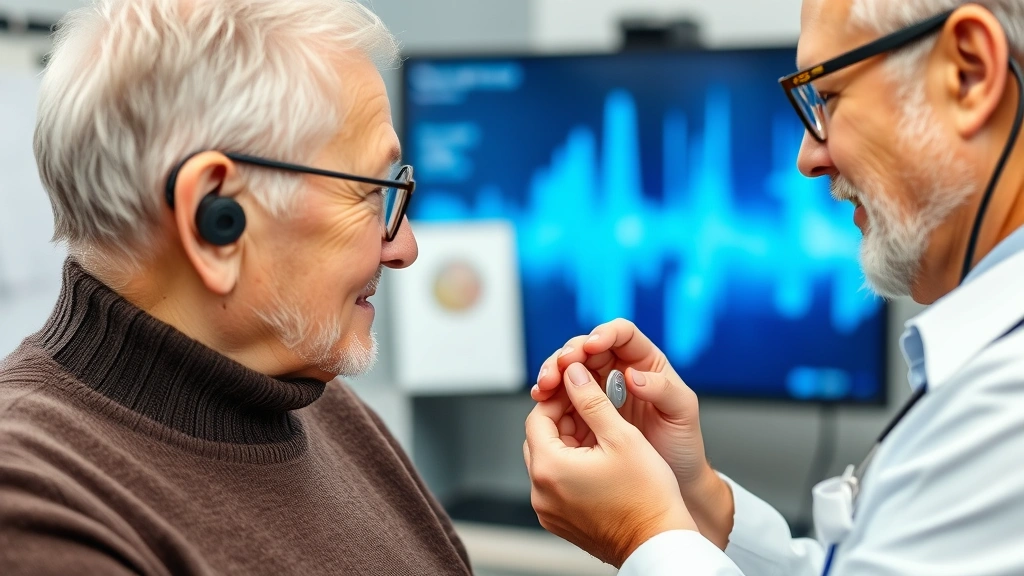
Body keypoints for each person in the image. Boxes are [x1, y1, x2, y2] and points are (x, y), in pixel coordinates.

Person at [525, 0, 1024, 574]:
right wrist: (695, 500)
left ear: (969, 73)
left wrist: (642, 533)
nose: (808, 157)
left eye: (826, 97)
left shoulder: (1005, 404)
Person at [0, 0, 472, 574]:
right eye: (370, 192)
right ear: (214, 218)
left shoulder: (326, 411)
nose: (404, 248)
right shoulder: (31, 503)